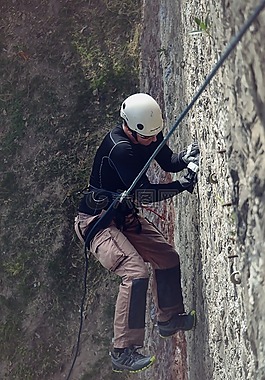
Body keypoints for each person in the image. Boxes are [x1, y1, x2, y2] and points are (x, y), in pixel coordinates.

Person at [74, 93, 200, 373]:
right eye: (149, 137)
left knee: (166, 257)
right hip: (97, 222)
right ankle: (123, 350)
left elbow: (167, 160)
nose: (154, 141)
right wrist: (182, 185)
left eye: (157, 135)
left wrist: (184, 159)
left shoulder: (147, 131)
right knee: (135, 271)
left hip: (122, 216)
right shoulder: (120, 148)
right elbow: (143, 193)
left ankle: (168, 319)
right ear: (130, 129)